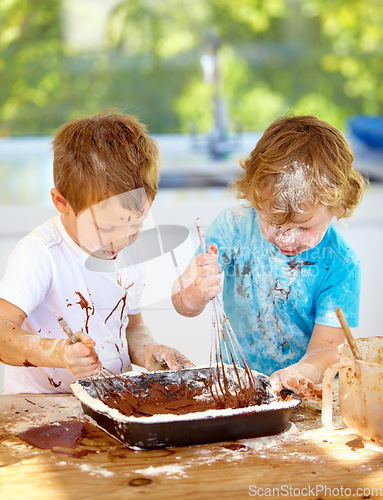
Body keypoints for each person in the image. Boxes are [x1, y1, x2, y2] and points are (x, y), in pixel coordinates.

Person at [172, 115, 367, 400]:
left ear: (338, 204)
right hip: (235, 387)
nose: (287, 238)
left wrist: (303, 372)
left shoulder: (341, 265)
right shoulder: (233, 227)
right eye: (275, 223)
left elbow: (328, 349)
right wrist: (195, 290)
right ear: (254, 196)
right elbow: (182, 304)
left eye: (304, 227)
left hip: (302, 398)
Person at [0, 111, 192, 394]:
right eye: (106, 229)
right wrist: (58, 353)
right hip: (43, 411)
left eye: (136, 225)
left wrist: (147, 351)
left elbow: (131, 325)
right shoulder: (40, 253)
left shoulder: (129, 248)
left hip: (110, 402)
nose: (122, 241)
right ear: (61, 202)